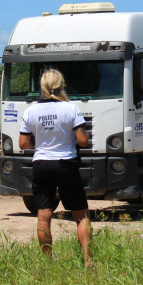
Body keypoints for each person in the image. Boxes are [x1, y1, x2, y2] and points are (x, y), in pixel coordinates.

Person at [19, 69, 92, 266]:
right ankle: (88, 260)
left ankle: (47, 262)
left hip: (41, 164)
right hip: (66, 164)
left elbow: (23, 144)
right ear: (62, 85)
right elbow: (83, 141)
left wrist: (40, 145)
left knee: (44, 215)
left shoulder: (31, 111)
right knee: (81, 214)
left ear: (42, 87)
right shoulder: (71, 109)